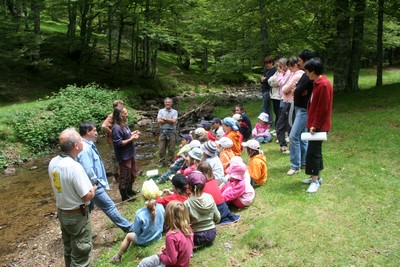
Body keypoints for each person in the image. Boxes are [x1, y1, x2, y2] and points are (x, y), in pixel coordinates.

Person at [48, 128, 97, 267]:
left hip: (62, 212)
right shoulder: (74, 167)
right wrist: (93, 190)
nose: (82, 141)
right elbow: (86, 197)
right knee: (82, 251)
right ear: (76, 146)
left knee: (69, 248)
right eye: (80, 140)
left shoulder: (53, 162)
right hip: (76, 215)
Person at [77, 121, 134, 233]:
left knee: (88, 208)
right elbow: (87, 169)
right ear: (88, 132)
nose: (96, 133)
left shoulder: (89, 144)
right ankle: (129, 228)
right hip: (92, 185)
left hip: (90, 185)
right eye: (94, 130)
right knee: (109, 206)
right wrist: (96, 183)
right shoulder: (84, 149)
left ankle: (82, 231)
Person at [110, 182, 165, 263]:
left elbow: (136, 231)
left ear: (143, 196)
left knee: (128, 236)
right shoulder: (161, 207)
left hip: (145, 240)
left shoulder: (140, 214)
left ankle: (118, 256)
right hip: (158, 237)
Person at [302, 58, 333, 193]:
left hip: (319, 126)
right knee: (315, 151)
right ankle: (316, 177)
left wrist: (315, 125)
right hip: (314, 124)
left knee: (313, 153)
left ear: (313, 71)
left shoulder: (324, 85)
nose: (306, 74)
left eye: (307, 71)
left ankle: (315, 181)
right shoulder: (317, 83)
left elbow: (323, 108)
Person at [137, 200, 194, 267]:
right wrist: (168, 248)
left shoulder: (171, 236)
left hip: (173, 264)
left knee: (143, 264)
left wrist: (160, 255)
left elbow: (171, 261)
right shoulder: (189, 229)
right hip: (183, 263)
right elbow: (184, 247)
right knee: (145, 262)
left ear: (168, 216)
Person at [287, 50, 315, 176]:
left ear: (306, 61)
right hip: (300, 108)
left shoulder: (309, 76)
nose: (297, 62)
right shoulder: (305, 74)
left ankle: (295, 165)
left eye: (299, 60)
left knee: (293, 136)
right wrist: (297, 89)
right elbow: (297, 89)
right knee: (303, 137)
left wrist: (297, 90)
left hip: (303, 110)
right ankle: (304, 162)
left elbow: (299, 90)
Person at [184, 171, 221, 247]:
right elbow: (218, 217)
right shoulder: (209, 197)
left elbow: (185, 224)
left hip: (196, 236)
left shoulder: (187, 203)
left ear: (189, 187)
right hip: (211, 234)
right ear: (204, 185)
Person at [112, 106, 141, 201]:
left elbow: (126, 136)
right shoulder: (116, 128)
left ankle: (130, 190)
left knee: (132, 174)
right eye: (124, 113)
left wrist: (132, 133)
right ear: (120, 115)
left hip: (130, 154)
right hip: (124, 157)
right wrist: (131, 139)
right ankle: (124, 196)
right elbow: (118, 143)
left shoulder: (124, 125)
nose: (127, 114)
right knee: (125, 176)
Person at [101, 99, 124, 182]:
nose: (121, 106)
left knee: (121, 156)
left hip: (119, 140)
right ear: (114, 107)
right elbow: (104, 126)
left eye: (122, 105)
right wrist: (113, 133)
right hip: (113, 141)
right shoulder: (111, 116)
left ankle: (122, 174)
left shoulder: (121, 115)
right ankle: (116, 176)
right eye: (119, 105)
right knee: (114, 157)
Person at [275, 57, 292, 154]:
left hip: (287, 100)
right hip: (282, 99)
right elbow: (278, 82)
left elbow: (282, 83)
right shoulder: (283, 73)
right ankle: (283, 144)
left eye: (280, 66)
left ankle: (286, 145)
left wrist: (280, 73)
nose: (279, 68)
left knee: (286, 123)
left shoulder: (289, 73)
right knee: (280, 123)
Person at [157, 97, 178, 167]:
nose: (167, 103)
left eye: (169, 102)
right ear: (164, 103)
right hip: (162, 132)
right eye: (166, 102)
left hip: (172, 132)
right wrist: (169, 120)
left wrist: (164, 119)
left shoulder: (175, 111)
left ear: (171, 103)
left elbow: (174, 121)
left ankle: (170, 161)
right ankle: (161, 162)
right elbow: (158, 121)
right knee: (161, 148)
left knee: (171, 148)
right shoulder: (161, 111)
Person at [260, 56, 276, 125]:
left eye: (268, 63)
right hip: (264, 90)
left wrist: (264, 79)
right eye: (265, 63)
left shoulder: (273, 70)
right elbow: (262, 80)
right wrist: (263, 79)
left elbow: (270, 80)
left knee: (265, 107)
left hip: (268, 90)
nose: (266, 65)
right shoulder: (266, 71)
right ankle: (269, 121)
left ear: (272, 63)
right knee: (267, 106)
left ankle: (266, 121)